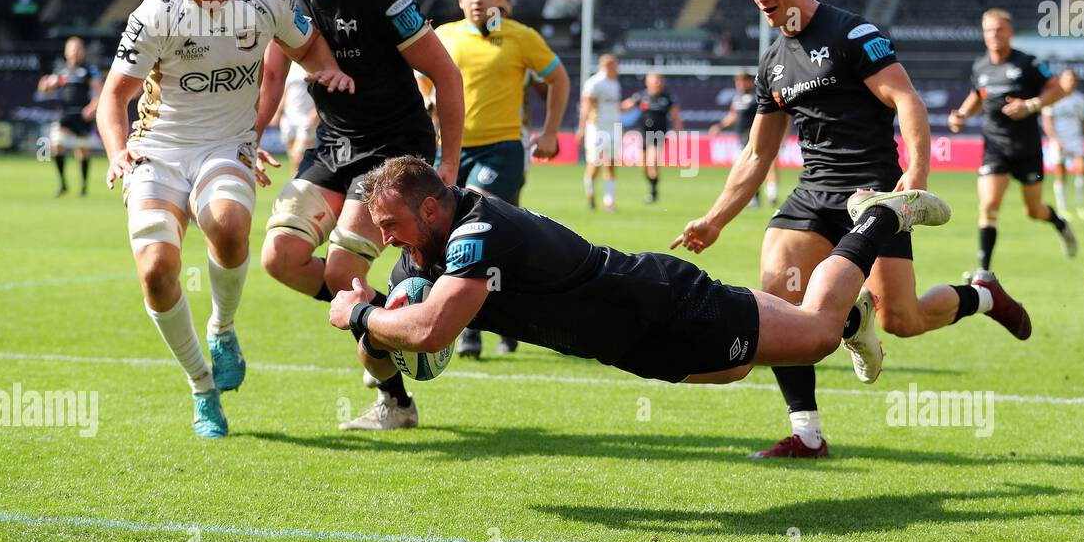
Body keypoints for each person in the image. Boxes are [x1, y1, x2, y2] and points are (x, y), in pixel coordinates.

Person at [674, 0, 1031, 459]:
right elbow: (757, 153)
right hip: (812, 194)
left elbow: (904, 97)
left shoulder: (853, 34)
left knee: (901, 320)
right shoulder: (772, 63)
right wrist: (714, 220)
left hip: (874, 192)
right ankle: (808, 434)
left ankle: (981, 295)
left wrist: (917, 171)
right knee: (778, 296)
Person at [328, 156, 953, 392]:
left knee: (813, 338)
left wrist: (361, 314)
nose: (384, 240)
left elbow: (433, 330)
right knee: (737, 368)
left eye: (390, 225)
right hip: (631, 341)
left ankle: (876, 221)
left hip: (661, 304)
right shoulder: (428, 243)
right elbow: (394, 334)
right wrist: (370, 323)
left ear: (430, 208)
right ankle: (852, 314)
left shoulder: (478, 232)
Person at [95, 0, 353, 438]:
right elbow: (112, 98)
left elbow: (309, 49)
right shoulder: (154, 12)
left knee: (230, 225)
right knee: (156, 269)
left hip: (224, 146)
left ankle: (223, 328)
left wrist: (328, 73)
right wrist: (118, 151)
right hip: (158, 150)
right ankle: (201, 388)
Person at [257, 0, 464, 432]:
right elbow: (272, 78)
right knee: (280, 256)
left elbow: (447, 76)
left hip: (394, 148)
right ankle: (388, 317)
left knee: (342, 271)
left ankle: (395, 402)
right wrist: (246, 141)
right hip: (334, 145)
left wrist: (449, 164)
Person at [433, 0, 570, 358]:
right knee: (472, 237)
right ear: (460, 0)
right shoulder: (443, 37)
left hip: (502, 148)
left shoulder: (520, 37)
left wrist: (550, 131)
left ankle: (471, 328)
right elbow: (421, 78)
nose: (478, 0)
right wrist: (426, 100)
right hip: (452, 150)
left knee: (472, 224)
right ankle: (509, 314)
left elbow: (558, 79)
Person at [948, 9, 1077, 270]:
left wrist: (1030, 105)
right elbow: (978, 96)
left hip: (1027, 148)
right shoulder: (980, 66)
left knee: (1033, 211)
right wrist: (961, 114)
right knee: (988, 205)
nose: (994, 35)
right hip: (995, 146)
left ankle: (1059, 223)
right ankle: (983, 272)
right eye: (989, 30)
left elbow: (1058, 89)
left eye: (999, 30)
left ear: (1010, 32)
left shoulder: (1028, 63)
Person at [37, 36, 100, 196]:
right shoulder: (61, 70)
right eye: (72, 48)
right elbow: (47, 88)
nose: (75, 52)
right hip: (65, 115)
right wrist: (44, 86)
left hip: (82, 115)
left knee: (82, 151)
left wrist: (92, 107)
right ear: (66, 52)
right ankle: (63, 184)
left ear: (83, 51)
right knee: (56, 145)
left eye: (78, 48)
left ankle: (84, 187)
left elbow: (98, 91)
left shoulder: (89, 70)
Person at [709, 70, 778, 207]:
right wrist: (720, 126)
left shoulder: (758, 96)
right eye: (737, 82)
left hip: (759, 136)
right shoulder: (737, 98)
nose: (740, 84)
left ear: (749, 82)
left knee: (767, 166)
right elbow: (733, 116)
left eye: (742, 81)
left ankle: (772, 195)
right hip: (742, 138)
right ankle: (754, 198)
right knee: (748, 168)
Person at [622, 72, 682, 204]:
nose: (657, 83)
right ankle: (652, 186)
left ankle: (653, 192)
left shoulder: (667, 98)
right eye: (654, 81)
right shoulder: (641, 96)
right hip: (644, 133)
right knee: (644, 164)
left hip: (658, 134)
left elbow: (676, 116)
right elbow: (626, 105)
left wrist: (678, 133)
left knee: (652, 161)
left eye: (659, 81)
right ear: (648, 82)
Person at [1042, 69, 1084, 220]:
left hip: (1075, 139)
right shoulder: (1051, 97)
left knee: (1082, 170)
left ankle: (1079, 205)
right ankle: (1062, 208)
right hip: (1058, 140)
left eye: (1072, 79)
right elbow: (1047, 122)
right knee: (1060, 174)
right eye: (1067, 79)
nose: (1070, 82)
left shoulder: (1081, 99)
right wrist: (1055, 139)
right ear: (1061, 80)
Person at [577, 54, 622, 212]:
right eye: (615, 65)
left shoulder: (615, 83)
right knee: (594, 164)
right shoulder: (594, 83)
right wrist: (582, 128)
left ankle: (609, 201)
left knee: (610, 164)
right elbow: (586, 107)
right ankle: (591, 196)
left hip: (613, 128)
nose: (617, 69)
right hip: (597, 129)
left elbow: (614, 107)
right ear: (608, 66)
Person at [273, 60, 318, 173]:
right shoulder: (291, 66)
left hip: (306, 118)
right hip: (288, 117)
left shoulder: (312, 63)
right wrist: (277, 113)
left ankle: (303, 180)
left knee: (299, 155)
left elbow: (321, 90)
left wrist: (316, 111)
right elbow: (285, 92)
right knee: (293, 157)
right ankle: (298, 180)